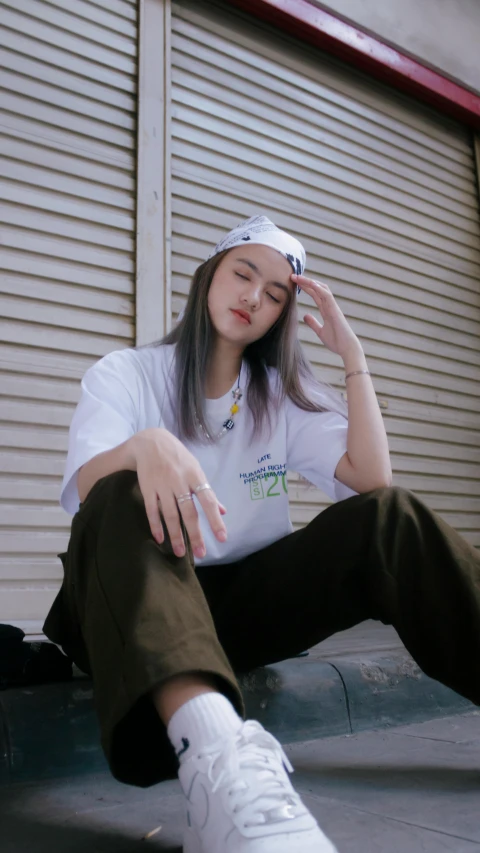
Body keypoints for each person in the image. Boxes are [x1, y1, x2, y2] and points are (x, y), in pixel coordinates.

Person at [44, 215, 480, 853]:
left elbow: (371, 481)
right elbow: (87, 489)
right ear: (210, 278)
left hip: (236, 609)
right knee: (120, 486)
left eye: (276, 293)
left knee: (393, 518)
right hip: (127, 603)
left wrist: (352, 358)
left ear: (282, 315)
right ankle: (220, 766)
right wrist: (145, 446)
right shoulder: (127, 373)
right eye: (243, 274)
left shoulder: (278, 396)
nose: (253, 296)